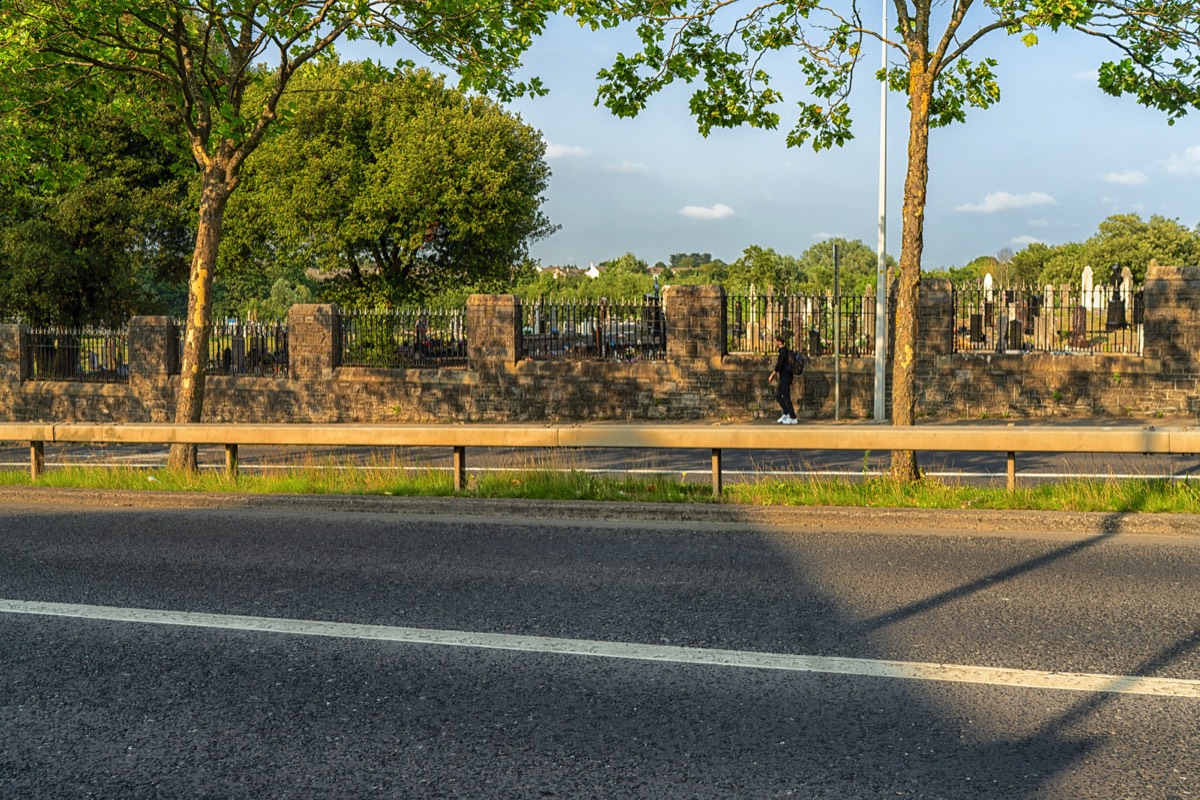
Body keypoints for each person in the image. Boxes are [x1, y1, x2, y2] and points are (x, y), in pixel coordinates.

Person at [768, 333, 799, 424]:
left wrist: (772, 375)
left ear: (779, 342)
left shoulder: (783, 352)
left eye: (775, 342)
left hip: (785, 377)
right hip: (785, 377)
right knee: (778, 395)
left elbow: (779, 366)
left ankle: (793, 417)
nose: (774, 344)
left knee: (786, 397)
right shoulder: (784, 351)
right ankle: (786, 413)